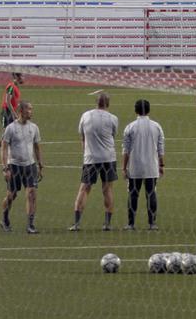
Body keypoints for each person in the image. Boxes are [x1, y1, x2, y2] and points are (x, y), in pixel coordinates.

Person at [69, 93, 118, 232]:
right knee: (107, 189)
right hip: (108, 158)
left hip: (91, 158)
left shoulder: (86, 116)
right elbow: (113, 136)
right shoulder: (113, 118)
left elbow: (82, 137)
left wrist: (86, 153)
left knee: (84, 189)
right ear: (108, 104)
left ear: (96, 103)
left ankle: (77, 223)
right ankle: (107, 224)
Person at [0, 101, 43, 234]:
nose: (31, 111)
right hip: (14, 167)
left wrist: (40, 165)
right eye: (29, 109)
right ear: (21, 111)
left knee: (31, 194)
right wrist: (5, 168)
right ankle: (5, 219)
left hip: (30, 166)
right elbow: (4, 148)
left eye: (31, 109)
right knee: (11, 195)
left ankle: (30, 224)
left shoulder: (34, 127)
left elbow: (37, 147)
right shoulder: (11, 128)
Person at [122, 99, 165, 231]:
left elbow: (126, 150)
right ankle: (152, 223)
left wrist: (124, 167)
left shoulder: (130, 127)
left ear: (136, 111)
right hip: (151, 166)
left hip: (135, 167)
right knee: (151, 193)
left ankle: (131, 224)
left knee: (133, 194)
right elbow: (161, 147)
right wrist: (161, 165)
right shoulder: (156, 126)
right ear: (149, 110)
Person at [0, 72, 23, 162]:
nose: (22, 78)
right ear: (15, 76)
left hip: (12, 113)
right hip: (7, 113)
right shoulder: (11, 86)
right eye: (20, 76)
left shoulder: (16, 88)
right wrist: (14, 114)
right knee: (7, 135)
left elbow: (15, 102)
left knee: (10, 135)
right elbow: (7, 101)